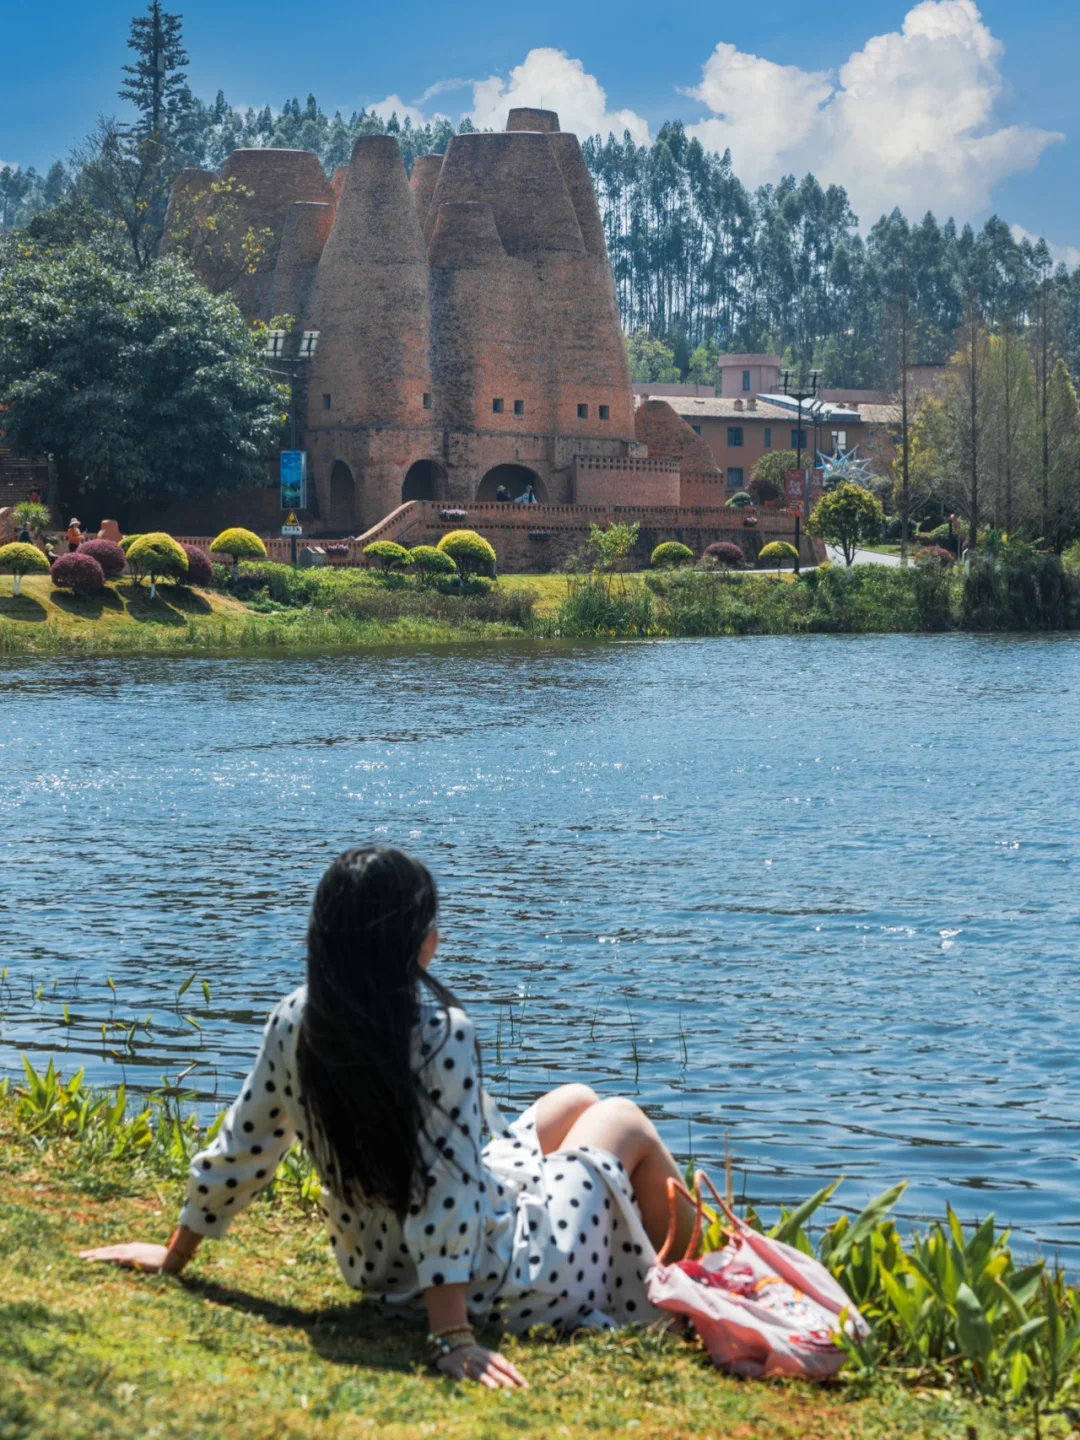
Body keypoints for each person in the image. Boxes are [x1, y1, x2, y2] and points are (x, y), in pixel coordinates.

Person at [81, 847, 696, 1390]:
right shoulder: (440, 1036)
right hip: (499, 1279)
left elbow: (243, 1149)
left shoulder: (297, 1020)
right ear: (415, 940)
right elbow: (445, 1195)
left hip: (381, 1273)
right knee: (622, 1119)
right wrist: (452, 1336)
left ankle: (670, 1278)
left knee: (574, 1100)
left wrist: (174, 1256)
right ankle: (702, 1297)